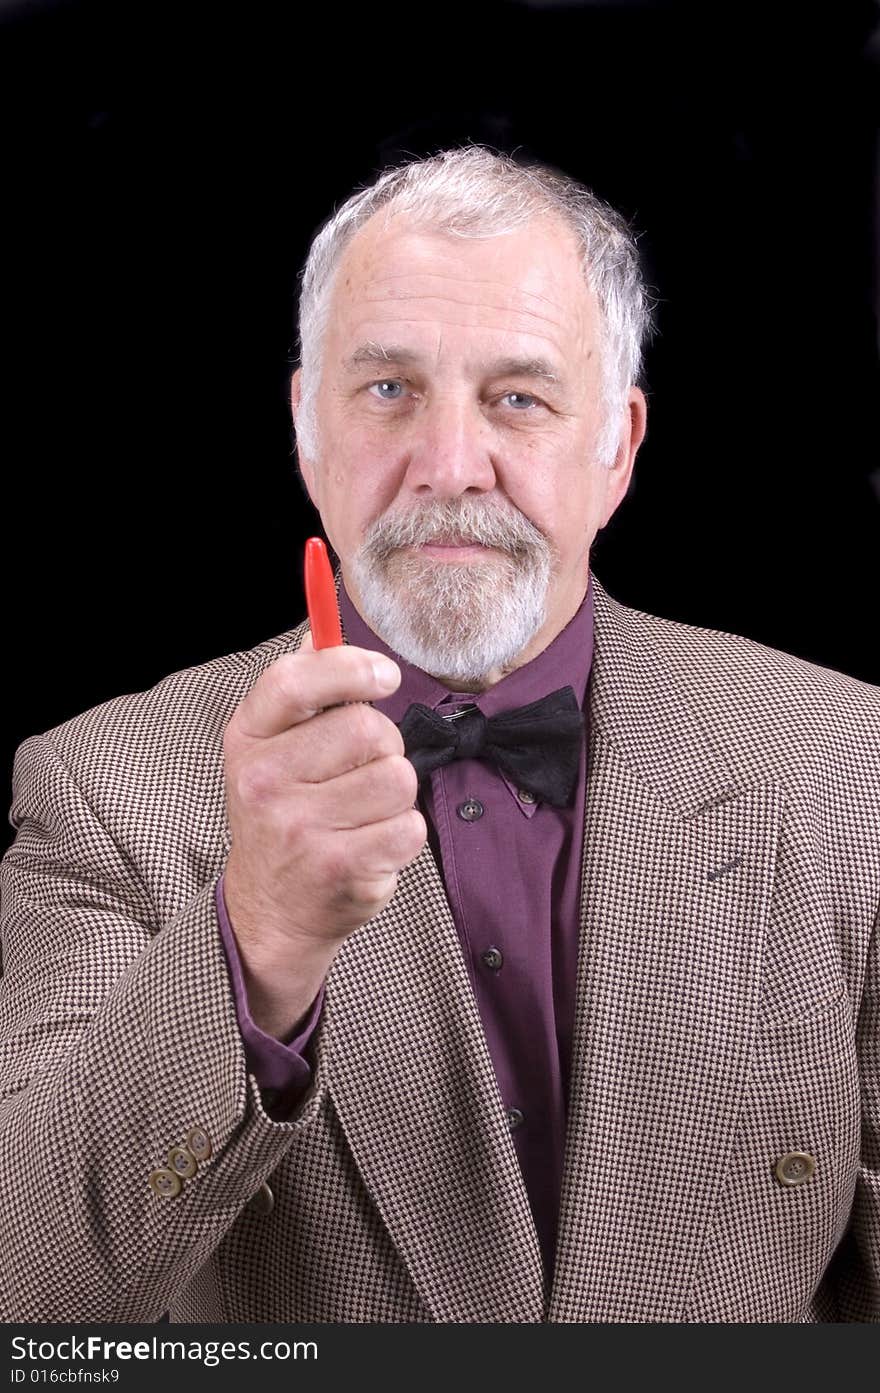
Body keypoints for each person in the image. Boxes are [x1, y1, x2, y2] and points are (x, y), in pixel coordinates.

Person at [1, 146, 878, 1325]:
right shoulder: (101, 787)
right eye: (387, 391)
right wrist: (256, 936)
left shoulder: (845, 760)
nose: (451, 466)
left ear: (615, 446)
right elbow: (31, 1294)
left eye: (517, 396)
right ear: (308, 432)